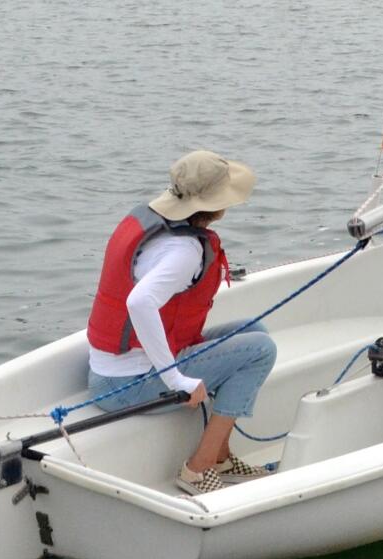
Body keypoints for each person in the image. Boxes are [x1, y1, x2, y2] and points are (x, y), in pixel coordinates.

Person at [86, 150, 277, 495]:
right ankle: (197, 471)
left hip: (112, 373)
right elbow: (139, 302)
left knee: (253, 331)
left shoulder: (161, 231)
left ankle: (220, 458)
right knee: (260, 350)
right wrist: (175, 378)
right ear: (217, 205)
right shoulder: (185, 252)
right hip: (126, 385)